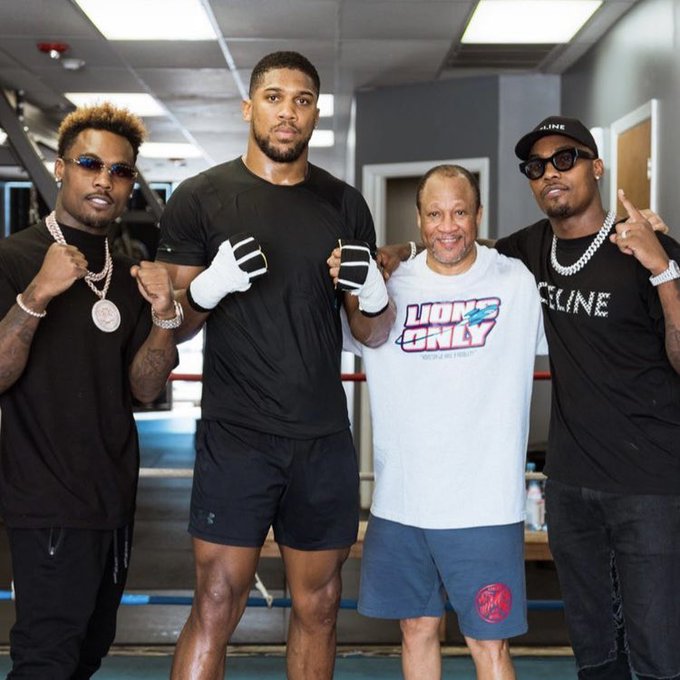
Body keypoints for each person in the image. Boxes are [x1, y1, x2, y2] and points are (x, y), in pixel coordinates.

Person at [155, 51, 394, 680]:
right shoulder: (199, 198)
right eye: (274, 97)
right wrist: (208, 288)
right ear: (249, 106)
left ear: (315, 111)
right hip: (237, 435)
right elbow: (171, 326)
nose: (287, 112)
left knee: (319, 605)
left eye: (302, 100)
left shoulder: (345, 205)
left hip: (321, 437)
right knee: (215, 601)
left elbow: (371, 332)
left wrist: (372, 295)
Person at [331, 165, 545, 680]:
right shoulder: (387, 284)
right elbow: (328, 331)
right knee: (416, 631)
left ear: (478, 215)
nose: (447, 227)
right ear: (419, 218)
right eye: (434, 214)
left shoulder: (515, 281)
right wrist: (371, 266)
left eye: (459, 213)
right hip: (403, 503)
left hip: (484, 506)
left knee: (488, 646)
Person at [492, 116, 680, 680]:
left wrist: (663, 270)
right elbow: (457, 251)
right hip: (571, 488)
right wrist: (398, 252)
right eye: (536, 166)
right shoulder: (529, 248)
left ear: (597, 167)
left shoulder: (651, 246)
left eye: (566, 159)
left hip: (650, 484)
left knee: (658, 655)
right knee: (596, 656)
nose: (551, 172)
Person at [0, 102, 180, 678]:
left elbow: (145, 390)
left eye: (120, 170)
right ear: (60, 169)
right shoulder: (13, 258)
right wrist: (38, 295)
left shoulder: (129, 273)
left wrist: (163, 317)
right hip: (46, 495)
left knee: (86, 653)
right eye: (89, 163)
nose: (104, 179)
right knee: (46, 656)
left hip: (113, 499)